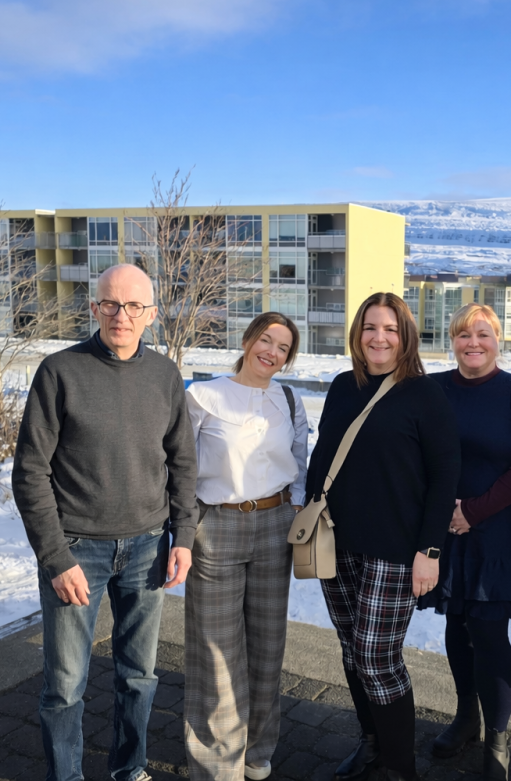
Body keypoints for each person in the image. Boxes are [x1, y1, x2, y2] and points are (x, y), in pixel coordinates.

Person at [12, 263, 198, 781]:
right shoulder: (59, 372)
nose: (122, 315)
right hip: (77, 551)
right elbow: (29, 472)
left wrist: (183, 536)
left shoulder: (165, 375)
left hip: (148, 547)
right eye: (111, 304)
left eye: (134, 306)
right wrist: (56, 558)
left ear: (151, 314)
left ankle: (129, 768)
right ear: (94, 308)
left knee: (139, 675)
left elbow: (183, 463)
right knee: (65, 685)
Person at [306, 292, 461, 781]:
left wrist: (430, 550)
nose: (379, 337)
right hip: (337, 542)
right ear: (358, 334)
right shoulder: (342, 385)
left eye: (390, 329)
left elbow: (444, 477)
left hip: (396, 550)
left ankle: (400, 767)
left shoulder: (424, 394)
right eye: (370, 327)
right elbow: (323, 455)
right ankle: (371, 742)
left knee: (377, 657)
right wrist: (310, 513)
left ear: (405, 336)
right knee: (352, 649)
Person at [420, 303, 511, 780]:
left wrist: (473, 512)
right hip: (443, 527)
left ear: (499, 341)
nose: (472, 343)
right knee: (457, 623)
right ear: (451, 341)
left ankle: (497, 738)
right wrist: (442, 512)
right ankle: (466, 717)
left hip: (494, 529)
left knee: (489, 632)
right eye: (463, 335)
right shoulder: (433, 390)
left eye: (483, 334)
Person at [183, 312, 309, 781]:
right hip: (217, 525)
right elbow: (181, 468)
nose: (272, 352)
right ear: (248, 339)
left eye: (283, 347)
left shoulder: (289, 399)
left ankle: (257, 752)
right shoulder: (203, 396)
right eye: (266, 340)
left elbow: (299, 459)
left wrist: (296, 507)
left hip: (276, 526)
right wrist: (183, 531)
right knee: (217, 655)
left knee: (267, 648)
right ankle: (217, 766)